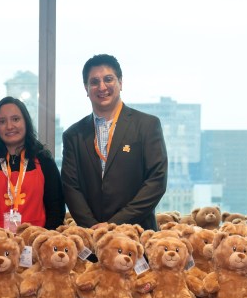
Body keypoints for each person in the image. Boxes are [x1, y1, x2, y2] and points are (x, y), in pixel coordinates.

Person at [61, 53, 167, 231]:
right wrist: (94, 228)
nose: (102, 87)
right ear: (86, 89)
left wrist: (114, 225)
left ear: (120, 82)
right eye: (94, 82)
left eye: (108, 79)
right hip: (92, 238)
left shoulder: (147, 125)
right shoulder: (73, 135)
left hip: (137, 237)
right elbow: (71, 187)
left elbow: (156, 181)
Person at [0, 97, 65, 231]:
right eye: (2, 121)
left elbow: (56, 208)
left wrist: (42, 242)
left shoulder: (44, 160)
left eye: (15, 119)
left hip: (35, 244)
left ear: (26, 122)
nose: (9, 126)